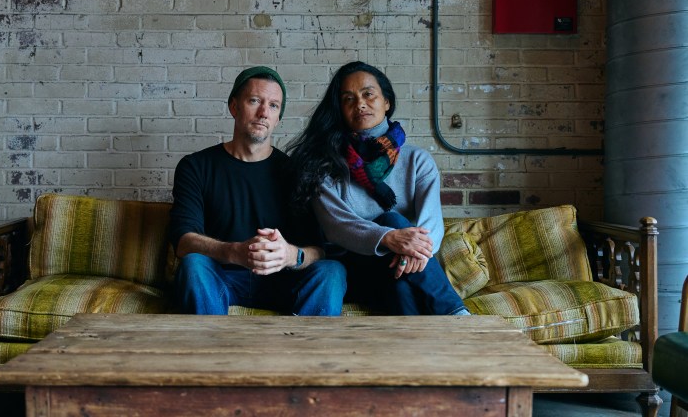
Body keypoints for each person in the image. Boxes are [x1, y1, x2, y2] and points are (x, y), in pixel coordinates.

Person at [287, 61, 470, 316]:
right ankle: (457, 314)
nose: (359, 104)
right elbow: (337, 225)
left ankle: (413, 347)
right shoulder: (325, 164)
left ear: (387, 102)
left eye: (368, 94)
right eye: (348, 99)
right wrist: (388, 237)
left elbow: (432, 224)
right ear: (339, 109)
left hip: (402, 266)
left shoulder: (417, 160)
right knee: (392, 219)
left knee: (399, 275)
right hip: (353, 269)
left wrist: (411, 251)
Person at [169, 66, 346, 316]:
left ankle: (306, 353)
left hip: (283, 281)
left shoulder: (296, 172)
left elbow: (319, 249)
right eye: (254, 101)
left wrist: (290, 255)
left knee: (332, 271)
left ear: (278, 118)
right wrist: (235, 252)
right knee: (194, 265)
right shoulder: (196, 167)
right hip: (222, 279)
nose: (264, 112)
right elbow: (183, 242)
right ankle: (208, 352)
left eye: (273, 106)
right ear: (234, 107)